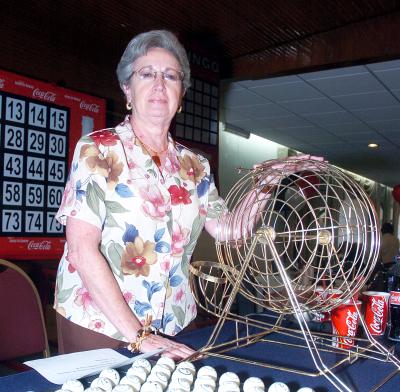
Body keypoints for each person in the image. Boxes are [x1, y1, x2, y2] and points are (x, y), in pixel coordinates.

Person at [54, 29, 322, 359]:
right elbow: (81, 249)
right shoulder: (97, 149)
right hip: (100, 324)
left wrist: (269, 180)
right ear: (127, 87)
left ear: (181, 93)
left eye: (171, 76)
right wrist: (139, 335)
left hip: (172, 323)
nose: (159, 85)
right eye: (147, 74)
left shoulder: (194, 165)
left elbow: (230, 231)